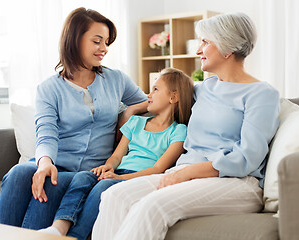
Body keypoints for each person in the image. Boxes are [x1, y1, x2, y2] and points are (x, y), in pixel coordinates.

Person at [92, 12, 280, 240]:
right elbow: (164, 97)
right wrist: (132, 109)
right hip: (184, 173)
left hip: (236, 182)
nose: (198, 50)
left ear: (227, 48)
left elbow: (248, 157)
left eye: (205, 42)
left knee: (153, 206)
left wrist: (189, 172)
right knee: (115, 195)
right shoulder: (203, 88)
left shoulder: (261, 94)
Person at [0, 7, 149, 230]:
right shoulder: (49, 88)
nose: (104, 48)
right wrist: (45, 163)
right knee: (19, 173)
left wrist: (129, 111)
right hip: (56, 163)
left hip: (90, 171)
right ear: (75, 40)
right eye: (97, 41)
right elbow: (46, 132)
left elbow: (151, 101)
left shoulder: (116, 80)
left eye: (107, 42)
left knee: (53, 184)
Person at [38, 67, 194, 239]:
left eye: (156, 89)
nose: (148, 95)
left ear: (174, 97)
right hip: (118, 172)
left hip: (139, 178)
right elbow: (117, 156)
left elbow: (158, 168)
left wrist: (120, 179)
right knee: (83, 177)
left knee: (103, 187)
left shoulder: (179, 131)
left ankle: (74, 236)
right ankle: (58, 228)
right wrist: (108, 167)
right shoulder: (135, 123)